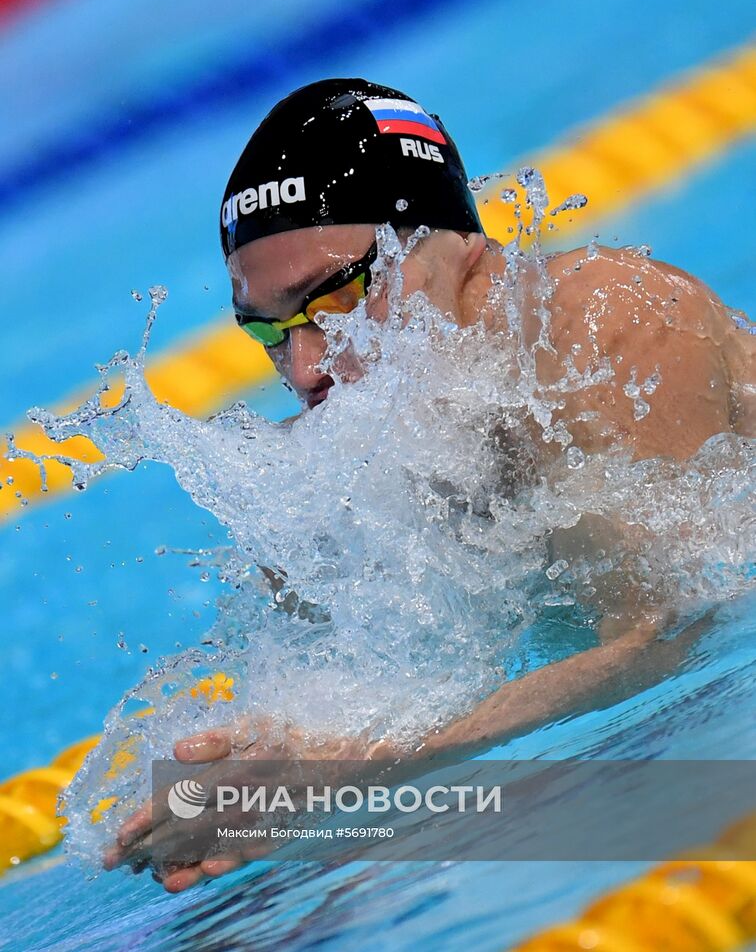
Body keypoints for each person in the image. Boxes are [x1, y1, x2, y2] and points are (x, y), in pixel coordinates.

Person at [107, 78, 755, 891]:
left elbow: (664, 635)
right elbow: (334, 697)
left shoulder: (608, 327)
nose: (305, 371)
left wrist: (361, 771)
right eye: (273, 331)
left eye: (336, 298)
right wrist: (250, 780)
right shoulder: (338, 468)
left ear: (453, 244)